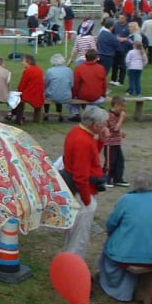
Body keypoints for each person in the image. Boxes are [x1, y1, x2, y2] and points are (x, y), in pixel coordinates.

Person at [98, 172, 152, 302]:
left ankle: (120, 290)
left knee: (109, 252)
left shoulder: (126, 200)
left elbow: (111, 223)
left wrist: (110, 234)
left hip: (124, 256)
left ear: (134, 186)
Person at [62, 105, 109, 258]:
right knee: (79, 234)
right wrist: (87, 201)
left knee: (74, 231)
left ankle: (70, 259)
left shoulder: (78, 132)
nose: (105, 127)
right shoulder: (84, 141)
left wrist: (101, 141)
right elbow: (80, 175)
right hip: (83, 192)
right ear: (95, 125)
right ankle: (73, 262)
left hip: (79, 189)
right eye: (103, 125)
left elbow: (91, 154)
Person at [69, 49, 107, 121]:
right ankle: (93, 111)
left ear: (86, 57)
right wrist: (103, 94)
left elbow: (75, 84)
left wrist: (73, 95)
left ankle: (76, 113)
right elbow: (104, 84)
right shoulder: (101, 68)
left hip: (83, 94)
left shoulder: (79, 68)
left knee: (70, 98)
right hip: (97, 95)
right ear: (96, 58)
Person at [9, 54, 44, 125]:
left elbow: (22, 84)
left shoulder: (28, 71)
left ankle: (18, 119)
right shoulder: (39, 69)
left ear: (28, 61)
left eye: (23, 61)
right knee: (19, 96)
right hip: (39, 93)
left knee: (17, 98)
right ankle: (12, 114)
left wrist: (18, 91)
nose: (22, 63)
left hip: (31, 93)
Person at [103, 96, 129, 188]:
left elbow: (116, 129)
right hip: (110, 143)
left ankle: (118, 178)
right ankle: (106, 179)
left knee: (119, 161)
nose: (124, 109)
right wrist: (122, 119)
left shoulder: (116, 116)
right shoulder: (110, 115)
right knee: (110, 162)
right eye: (122, 107)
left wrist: (121, 132)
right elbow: (114, 128)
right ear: (117, 106)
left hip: (116, 142)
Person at [43, 53, 73, 122]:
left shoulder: (49, 71)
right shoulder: (69, 70)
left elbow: (45, 84)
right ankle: (59, 114)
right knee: (59, 90)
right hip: (66, 95)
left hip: (52, 95)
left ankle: (46, 114)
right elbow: (71, 84)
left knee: (50, 92)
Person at [110, 14, 130, 86]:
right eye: (119, 18)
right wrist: (116, 37)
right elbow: (111, 34)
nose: (120, 19)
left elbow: (131, 37)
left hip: (124, 48)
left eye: (122, 18)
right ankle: (113, 79)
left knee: (122, 65)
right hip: (115, 48)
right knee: (114, 64)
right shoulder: (115, 25)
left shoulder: (128, 27)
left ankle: (120, 81)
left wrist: (124, 39)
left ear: (125, 18)